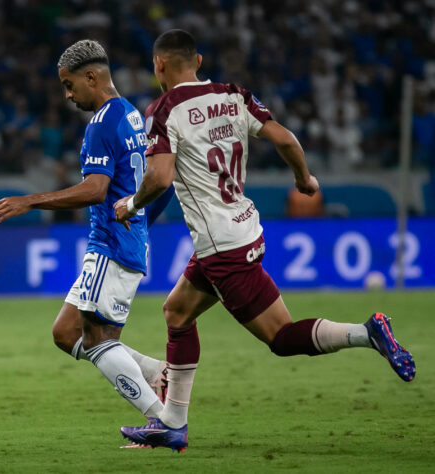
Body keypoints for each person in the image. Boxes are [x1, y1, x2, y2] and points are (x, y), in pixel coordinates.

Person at [114, 29, 416, 452]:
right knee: (177, 312)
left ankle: (367, 333)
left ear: (159, 65)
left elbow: (160, 177)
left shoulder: (164, 110)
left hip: (222, 247)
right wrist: (304, 179)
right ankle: (172, 424)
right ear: (198, 61)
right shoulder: (234, 95)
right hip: (242, 229)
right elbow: (287, 140)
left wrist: (129, 205)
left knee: (281, 338)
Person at [0, 40, 174, 425]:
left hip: (111, 244)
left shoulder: (102, 123)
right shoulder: (132, 116)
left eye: (70, 85)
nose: (68, 96)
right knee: (66, 332)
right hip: (122, 241)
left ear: (92, 77)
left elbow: (95, 190)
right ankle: (157, 373)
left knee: (99, 339)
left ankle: (164, 421)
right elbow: (162, 183)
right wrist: (140, 224)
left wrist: (30, 201)